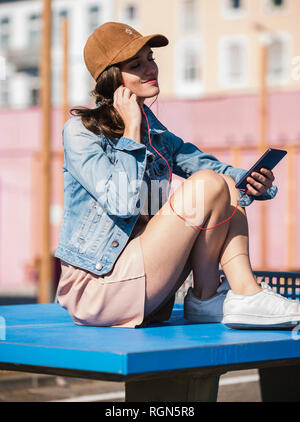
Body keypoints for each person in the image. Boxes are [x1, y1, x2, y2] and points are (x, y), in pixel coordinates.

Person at [54, 21, 300, 329]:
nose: (150, 68)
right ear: (113, 79)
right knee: (209, 186)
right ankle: (242, 295)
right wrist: (131, 133)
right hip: (98, 287)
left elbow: (213, 170)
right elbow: (120, 203)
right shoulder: (82, 132)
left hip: (146, 281)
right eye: (136, 64)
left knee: (225, 186)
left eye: (151, 58)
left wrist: (254, 181)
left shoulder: (156, 135)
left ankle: (215, 296)